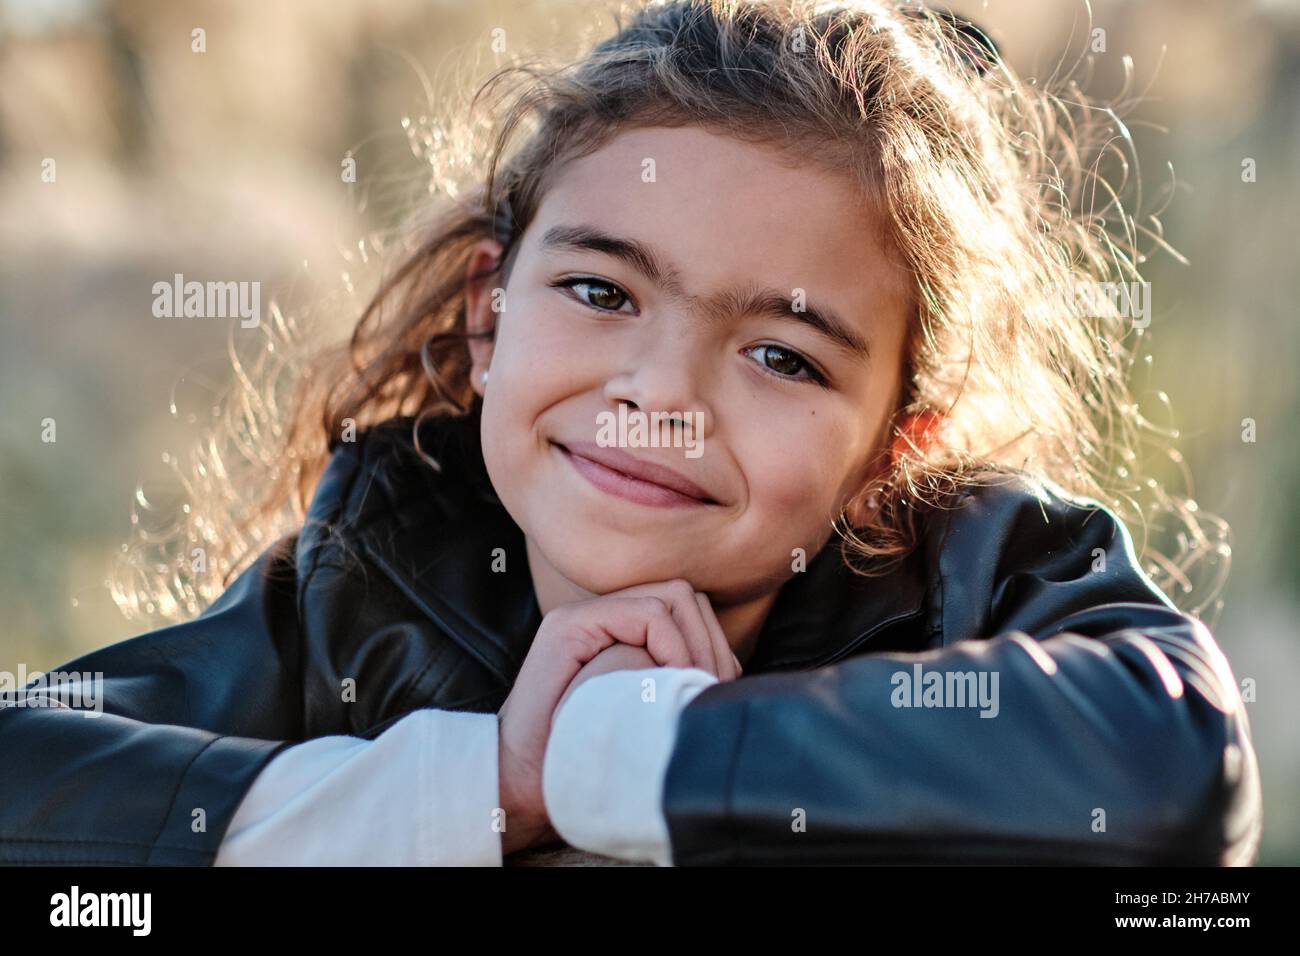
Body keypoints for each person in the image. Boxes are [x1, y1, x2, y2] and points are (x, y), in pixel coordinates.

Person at [0, 0, 1261, 866]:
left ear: (895, 449)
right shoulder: (376, 563)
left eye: (783, 353)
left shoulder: (982, 576)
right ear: (490, 320)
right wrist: (498, 781)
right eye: (602, 292)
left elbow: (1170, 774)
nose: (662, 395)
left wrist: (633, 752)